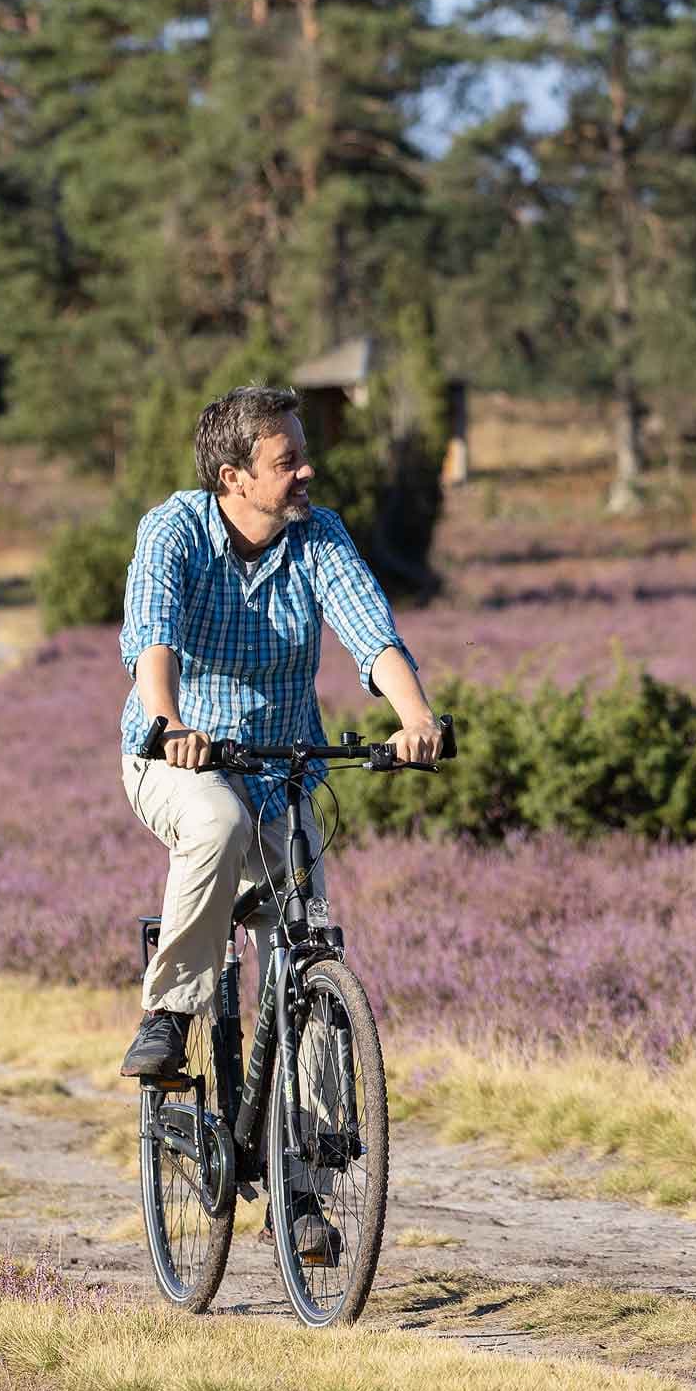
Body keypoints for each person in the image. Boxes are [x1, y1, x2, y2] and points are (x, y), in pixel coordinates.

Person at [114, 384, 447, 1261]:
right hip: (177, 756)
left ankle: (305, 1179)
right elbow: (152, 633)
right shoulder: (175, 531)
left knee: (306, 945)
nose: (308, 470)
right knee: (216, 825)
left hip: (285, 764)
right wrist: (167, 718)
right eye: (287, 459)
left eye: (304, 452)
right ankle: (172, 1008)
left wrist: (415, 718)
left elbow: (370, 631)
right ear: (232, 477)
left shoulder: (317, 535)